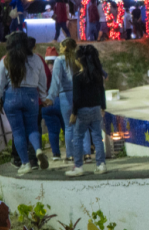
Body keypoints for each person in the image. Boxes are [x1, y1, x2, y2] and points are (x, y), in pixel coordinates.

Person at [0, 33, 51, 175]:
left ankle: (25, 163)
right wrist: (43, 97)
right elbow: (42, 80)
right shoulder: (36, 59)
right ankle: (38, 150)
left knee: (18, 132)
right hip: (31, 97)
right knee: (33, 128)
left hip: (12, 96)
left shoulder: (6, 60)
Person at [65, 44, 106, 176]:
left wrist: (74, 113)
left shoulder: (77, 77)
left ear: (79, 60)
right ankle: (101, 165)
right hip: (96, 109)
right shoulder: (97, 75)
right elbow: (102, 91)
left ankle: (78, 167)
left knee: (78, 138)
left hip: (82, 112)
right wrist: (103, 107)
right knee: (97, 137)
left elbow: (76, 98)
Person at [44, 37, 77, 162]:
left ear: (65, 47)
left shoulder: (59, 61)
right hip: (77, 94)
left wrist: (50, 97)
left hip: (64, 96)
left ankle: (70, 154)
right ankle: (86, 154)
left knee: (68, 127)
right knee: (79, 125)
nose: (60, 48)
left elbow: (56, 81)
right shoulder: (76, 59)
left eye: (61, 46)